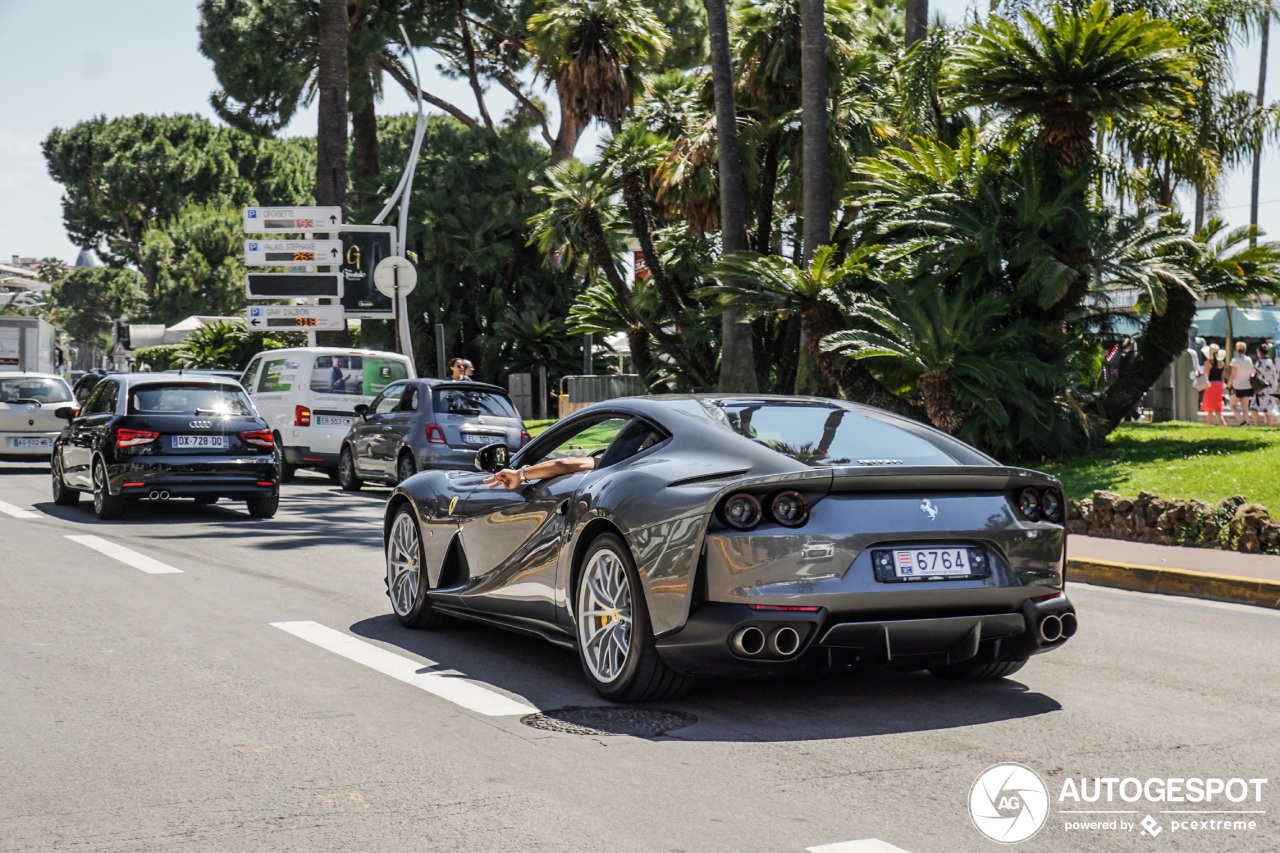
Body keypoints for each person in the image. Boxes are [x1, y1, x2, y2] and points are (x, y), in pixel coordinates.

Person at [1227, 341, 1255, 425]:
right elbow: (1252, 371)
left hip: (1237, 386)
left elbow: (1233, 375)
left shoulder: (1235, 360)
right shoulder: (1249, 359)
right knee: (1245, 407)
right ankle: (1246, 422)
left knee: (1232, 406)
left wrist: (1228, 385)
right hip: (1247, 385)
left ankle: (1242, 421)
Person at [1251, 342, 1278, 426]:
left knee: (1253, 407)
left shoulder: (1259, 363)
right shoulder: (1272, 362)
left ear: (1259, 352)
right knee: (1269, 408)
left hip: (1261, 388)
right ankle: (1269, 425)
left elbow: (1253, 375)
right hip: (1272, 388)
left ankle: (1257, 424)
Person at [1203, 350, 1227, 425]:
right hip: (1219, 385)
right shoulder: (1222, 363)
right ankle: (1208, 424)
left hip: (1210, 385)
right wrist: (1223, 387)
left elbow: (1206, 376)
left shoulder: (1208, 363)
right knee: (1215, 406)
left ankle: (1223, 424)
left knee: (1212, 407)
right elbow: (1222, 377)